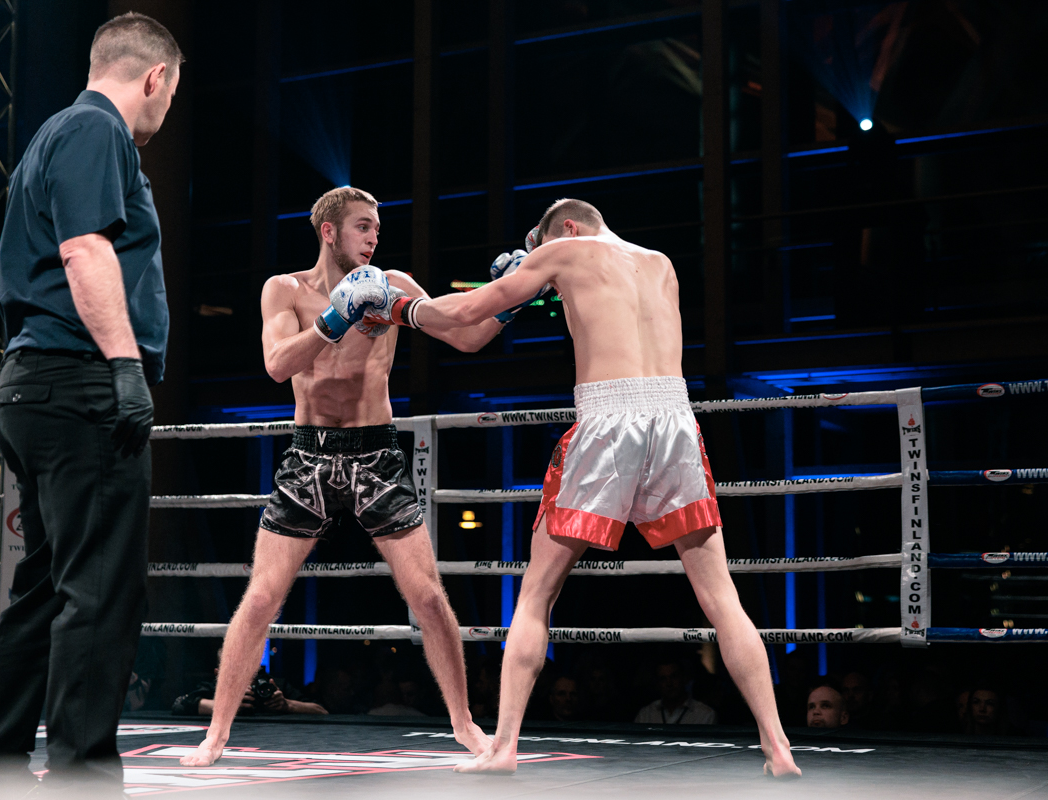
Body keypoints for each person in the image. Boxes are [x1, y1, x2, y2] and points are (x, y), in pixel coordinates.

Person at [382, 198, 801, 777]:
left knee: (536, 594)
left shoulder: (564, 250)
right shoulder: (660, 263)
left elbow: (467, 315)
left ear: (568, 228)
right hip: (675, 421)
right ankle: (778, 747)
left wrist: (397, 307)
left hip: (608, 422)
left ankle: (503, 748)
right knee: (722, 597)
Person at [180, 186, 503, 767]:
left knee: (429, 597)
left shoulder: (392, 287)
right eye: (362, 226)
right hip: (309, 454)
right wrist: (337, 318)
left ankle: (465, 725)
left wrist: (510, 298)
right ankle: (217, 735)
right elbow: (277, 364)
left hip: (376, 452)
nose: (374, 237)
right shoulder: (285, 290)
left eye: (377, 227)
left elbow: (465, 334)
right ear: (329, 231)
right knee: (261, 598)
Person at [0, 12, 181, 794]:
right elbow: (85, 250)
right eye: (170, 94)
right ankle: (81, 777)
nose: (166, 109)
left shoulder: (54, 133)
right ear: (156, 77)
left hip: (38, 385)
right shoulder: (95, 130)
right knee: (101, 588)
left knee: (49, 584)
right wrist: (125, 366)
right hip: (76, 381)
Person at [172, 648, 327, 717]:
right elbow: (179, 704)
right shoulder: (214, 689)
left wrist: (287, 705)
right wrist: (226, 706)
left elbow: (321, 710)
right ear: (218, 674)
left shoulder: (272, 687)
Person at [634, 660, 716, 725]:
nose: (669, 683)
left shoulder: (705, 714)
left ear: (684, 678)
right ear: (657, 683)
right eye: (663, 679)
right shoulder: (646, 714)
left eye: (674, 676)